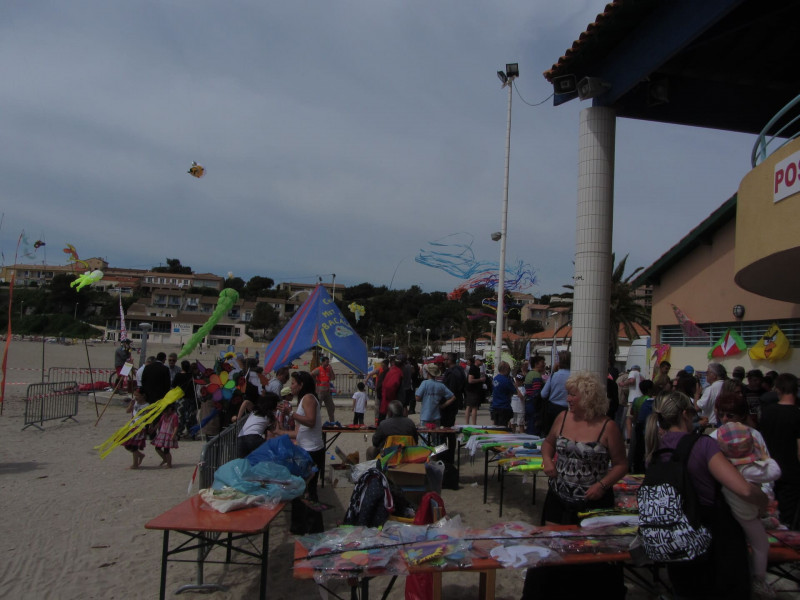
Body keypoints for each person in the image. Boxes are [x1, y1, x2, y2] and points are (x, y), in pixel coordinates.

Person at [643, 391, 767, 599]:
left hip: (678, 544)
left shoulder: (656, 451)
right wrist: (763, 500)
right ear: (684, 414)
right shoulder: (703, 445)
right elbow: (743, 489)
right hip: (714, 543)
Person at [523, 371, 628, 599]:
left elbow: (621, 465)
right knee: (552, 551)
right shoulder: (562, 418)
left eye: (573, 395)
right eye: (568, 395)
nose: (568, 399)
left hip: (592, 503)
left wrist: (602, 484)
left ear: (589, 397)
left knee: (587, 558)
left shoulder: (607, 427)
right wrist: (548, 460)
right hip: (558, 497)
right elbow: (548, 443)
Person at [716, 421, 780, 599]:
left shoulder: (724, 467)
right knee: (761, 545)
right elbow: (775, 472)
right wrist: (767, 458)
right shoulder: (749, 470)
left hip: (732, 510)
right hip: (746, 514)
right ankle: (759, 579)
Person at [282, 370, 325, 535]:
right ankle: (300, 526)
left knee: (308, 491)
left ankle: (313, 528)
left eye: (293, 383)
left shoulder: (308, 398)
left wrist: (291, 414)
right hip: (306, 449)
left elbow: (311, 421)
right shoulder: (304, 399)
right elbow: (300, 431)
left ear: (301, 385)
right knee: (300, 489)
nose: (291, 386)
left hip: (311, 451)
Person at [759, 372, 800, 528]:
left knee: (767, 514)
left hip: (768, 469)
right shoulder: (797, 414)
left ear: (778, 390)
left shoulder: (767, 412)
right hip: (790, 473)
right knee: (786, 518)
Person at [236, 392, 280, 458]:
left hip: (241, 438)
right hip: (254, 437)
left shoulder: (255, 410)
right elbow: (275, 431)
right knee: (267, 457)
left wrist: (238, 417)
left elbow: (246, 402)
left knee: (243, 463)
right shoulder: (270, 416)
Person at [627, 379, 655, 473]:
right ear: (650, 389)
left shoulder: (636, 400)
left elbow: (633, 414)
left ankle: (631, 466)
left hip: (637, 425)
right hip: (647, 427)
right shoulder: (651, 401)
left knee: (634, 448)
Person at [540, 351, 571, 435]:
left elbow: (543, 394)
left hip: (552, 409)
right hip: (568, 409)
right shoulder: (573, 375)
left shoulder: (554, 375)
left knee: (551, 434)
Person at [123, 390, 148, 469]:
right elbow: (128, 411)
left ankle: (135, 464)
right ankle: (140, 455)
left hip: (140, 427)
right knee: (127, 444)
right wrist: (131, 405)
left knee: (134, 445)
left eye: (137, 396)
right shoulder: (135, 403)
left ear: (142, 396)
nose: (135, 398)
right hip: (132, 425)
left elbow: (149, 417)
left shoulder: (147, 405)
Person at [489, 361, 520, 428]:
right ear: (505, 369)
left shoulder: (495, 378)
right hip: (504, 407)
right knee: (502, 427)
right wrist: (516, 386)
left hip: (495, 406)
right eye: (509, 369)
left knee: (496, 426)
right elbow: (515, 391)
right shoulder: (506, 381)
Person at [697, 362, 726, 427]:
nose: (706, 375)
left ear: (714, 375)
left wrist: (697, 394)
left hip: (712, 426)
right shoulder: (728, 386)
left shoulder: (710, 389)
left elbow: (697, 407)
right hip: (725, 425)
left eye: (707, 373)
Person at [441, 353, 466, 428]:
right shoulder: (460, 370)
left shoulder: (452, 373)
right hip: (456, 401)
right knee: (450, 425)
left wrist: (445, 404)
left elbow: (451, 390)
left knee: (447, 427)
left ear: (450, 360)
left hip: (449, 403)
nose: (444, 362)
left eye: (445, 360)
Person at [523, 356, 545, 435]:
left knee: (530, 426)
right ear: (536, 364)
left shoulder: (529, 374)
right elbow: (537, 392)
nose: (544, 365)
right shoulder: (536, 375)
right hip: (534, 404)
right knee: (534, 427)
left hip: (528, 402)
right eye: (542, 363)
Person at [152, 403, 179, 468]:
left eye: (166, 411)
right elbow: (159, 423)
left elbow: (176, 426)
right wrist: (153, 429)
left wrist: (173, 435)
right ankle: (165, 459)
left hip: (169, 434)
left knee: (166, 450)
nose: (164, 412)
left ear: (170, 409)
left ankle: (169, 464)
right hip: (162, 434)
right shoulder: (164, 416)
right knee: (157, 448)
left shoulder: (174, 416)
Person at [311, 355, 336, 423]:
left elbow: (333, 378)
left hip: (327, 392)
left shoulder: (328, 369)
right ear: (323, 362)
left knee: (331, 407)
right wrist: (315, 381)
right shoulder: (318, 369)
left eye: (328, 362)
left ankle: (332, 421)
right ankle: (315, 422)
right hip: (320, 392)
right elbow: (311, 374)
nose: (328, 363)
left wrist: (331, 370)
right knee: (318, 407)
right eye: (326, 362)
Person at [380, 356, 404, 422]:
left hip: (386, 399)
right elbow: (390, 386)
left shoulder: (392, 370)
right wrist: (392, 398)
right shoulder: (397, 372)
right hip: (390, 401)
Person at [464, 356, 485, 425]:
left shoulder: (476, 368)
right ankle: (473, 424)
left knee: (470, 406)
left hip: (472, 390)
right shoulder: (473, 368)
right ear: (476, 360)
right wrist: (480, 380)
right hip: (472, 390)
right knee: (473, 407)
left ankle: (469, 423)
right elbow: (470, 380)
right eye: (481, 360)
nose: (482, 362)